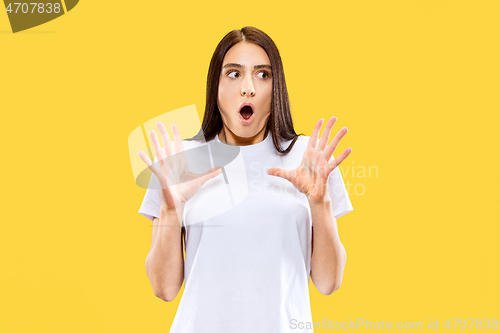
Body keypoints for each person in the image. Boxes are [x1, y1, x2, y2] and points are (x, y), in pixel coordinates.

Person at [137, 26, 354, 333]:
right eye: (234, 74)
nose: (248, 88)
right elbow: (164, 288)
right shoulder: (181, 159)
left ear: (276, 88)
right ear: (216, 86)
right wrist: (171, 210)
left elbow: (329, 282)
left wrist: (320, 202)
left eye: (263, 74)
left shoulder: (309, 157)